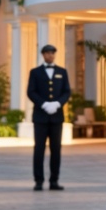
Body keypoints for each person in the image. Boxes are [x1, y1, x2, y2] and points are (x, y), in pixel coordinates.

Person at [27, 43, 71, 191]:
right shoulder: (35, 72)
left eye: (52, 53)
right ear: (43, 55)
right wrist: (44, 104)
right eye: (47, 53)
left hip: (56, 117)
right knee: (39, 149)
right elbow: (31, 92)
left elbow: (66, 91)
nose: (50, 55)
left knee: (56, 150)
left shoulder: (62, 72)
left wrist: (58, 103)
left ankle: (54, 180)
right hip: (40, 117)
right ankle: (38, 180)